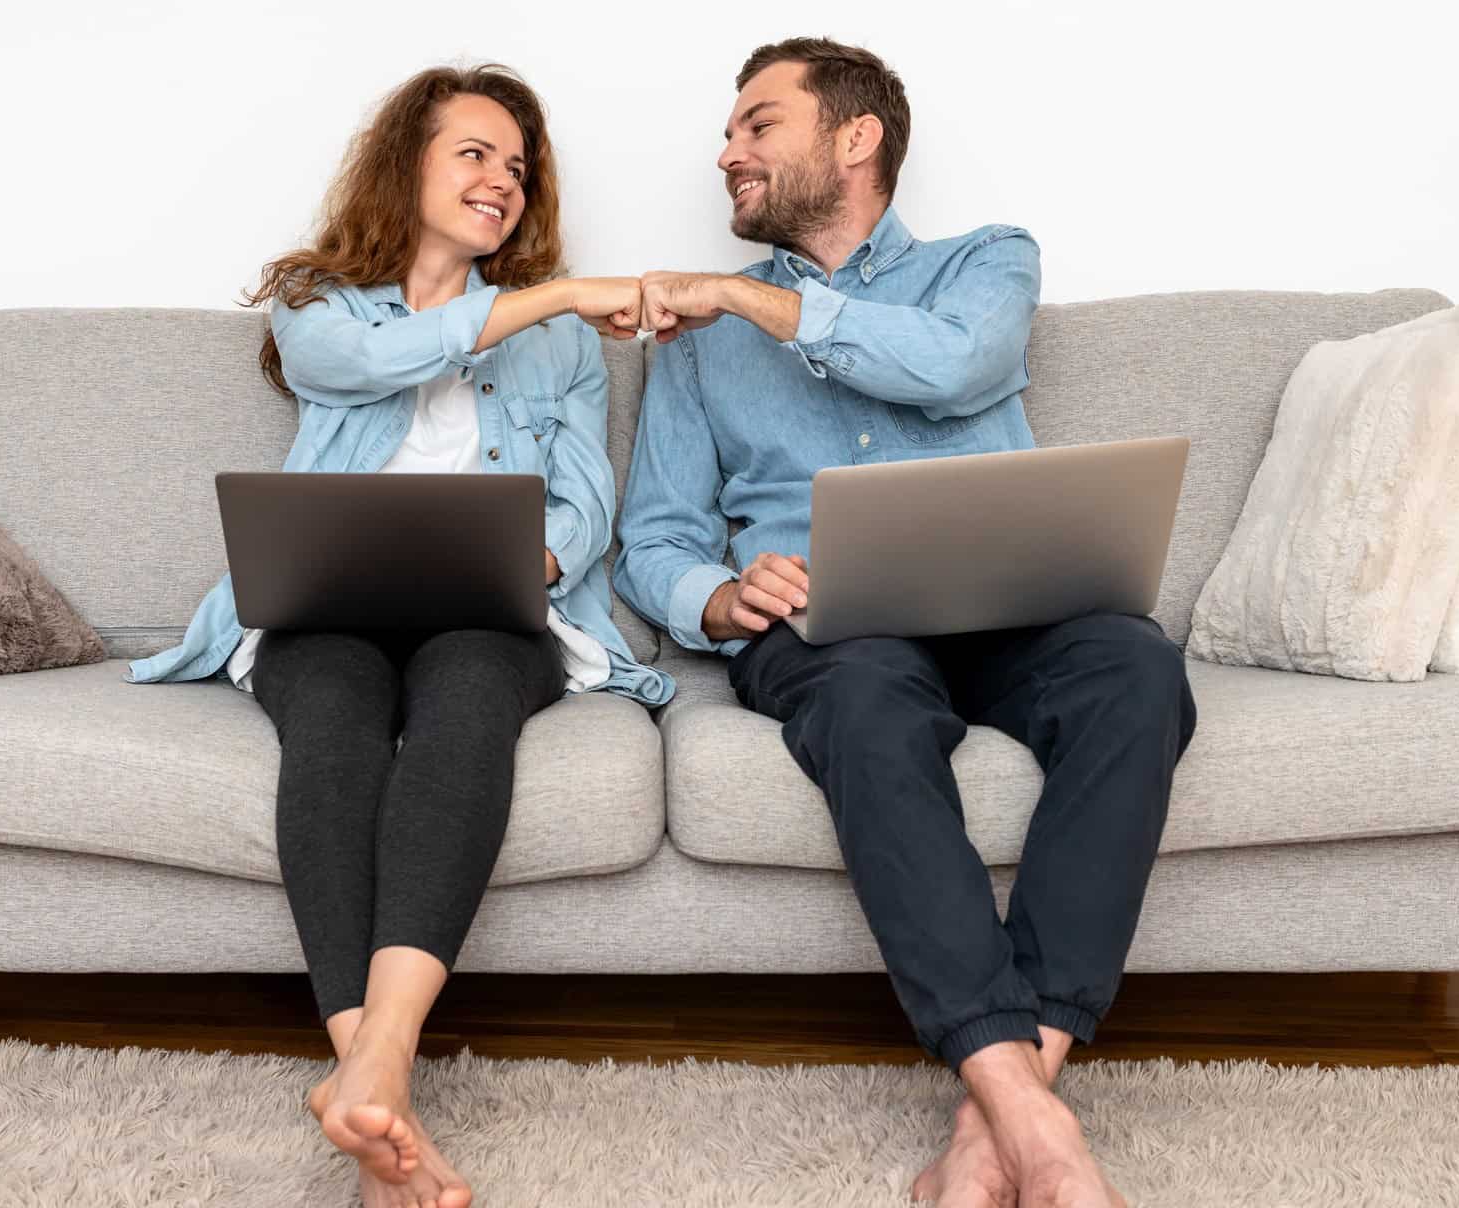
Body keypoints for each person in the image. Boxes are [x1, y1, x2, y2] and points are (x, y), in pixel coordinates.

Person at [614, 37, 1195, 1208]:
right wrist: (722, 596)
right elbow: (655, 539)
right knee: (869, 709)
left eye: (757, 126)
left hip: (1014, 605)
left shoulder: (984, 264)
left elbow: (954, 365)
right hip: (833, 627)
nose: (727, 154)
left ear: (856, 137)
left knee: (1139, 671)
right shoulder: (698, 349)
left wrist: (748, 297)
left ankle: (994, 1127)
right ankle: (1037, 1122)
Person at [128, 63, 672, 1208]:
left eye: (517, 167)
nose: (501, 181)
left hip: (487, 604)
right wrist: (562, 295)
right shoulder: (320, 301)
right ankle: (384, 1092)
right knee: (330, 720)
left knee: (470, 700)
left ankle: (372, 1065)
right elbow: (373, 363)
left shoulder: (559, 342)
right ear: (407, 165)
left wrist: (549, 555)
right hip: (330, 600)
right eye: (474, 153)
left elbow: (586, 492)